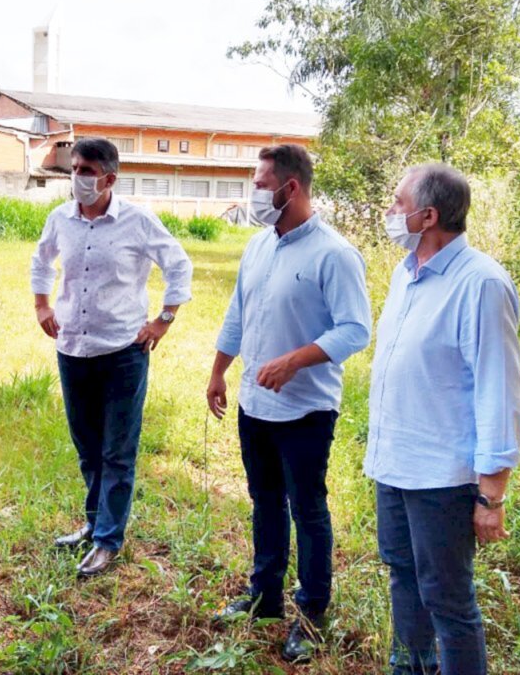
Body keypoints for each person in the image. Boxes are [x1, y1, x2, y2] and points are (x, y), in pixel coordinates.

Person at [207, 144, 371, 662]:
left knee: (308, 509)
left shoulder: (334, 253)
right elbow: (239, 311)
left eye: (259, 184)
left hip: (305, 409)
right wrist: (217, 371)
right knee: (264, 501)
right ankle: (265, 596)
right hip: (254, 404)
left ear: (290, 188)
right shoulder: (258, 246)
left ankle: (311, 610)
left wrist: (294, 360)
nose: (253, 193)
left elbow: (355, 329)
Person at [365, 164, 520, 675]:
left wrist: (490, 494)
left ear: (427, 215)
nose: (389, 212)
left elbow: (499, 390)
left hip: (443, 476)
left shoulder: (481, 284)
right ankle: (409, 668)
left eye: (396, 202)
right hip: (395, 464)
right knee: (403, 577)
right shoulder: (405, 272)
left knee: (449, 601)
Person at [31, 137, 193, 578]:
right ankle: (93, 522)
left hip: (123, 352)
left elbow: (178, 265)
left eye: (86, 170)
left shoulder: (137, 222)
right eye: (74, 169)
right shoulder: (60, 219)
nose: (77, 178)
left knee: (117, 451)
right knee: (87, 447)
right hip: (73, 349)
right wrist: (42, 305)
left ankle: (108, 540)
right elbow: (41, 261)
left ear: (109, 178)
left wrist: (163, 319)